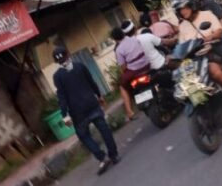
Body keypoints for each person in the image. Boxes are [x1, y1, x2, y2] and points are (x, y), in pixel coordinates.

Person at [52, 47, 120, 175]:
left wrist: (65, 115)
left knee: (84, 136)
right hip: (92, 104)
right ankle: (114, 155)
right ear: (68, 54)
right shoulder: (80, 66)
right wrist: (99, 95)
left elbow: (62, 97)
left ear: (56, 61)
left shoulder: (57, 76)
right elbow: (92, 82)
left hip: (77, 112)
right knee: (104, 130)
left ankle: (102, 157)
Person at [111, 26, 151, 120]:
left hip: (134, 71)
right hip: (146, 65)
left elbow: (123, 67)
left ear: (115, 39)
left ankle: (129, 112)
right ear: (123, 33)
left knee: (122, 86)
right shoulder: (134, 39)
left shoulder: (119, 50)